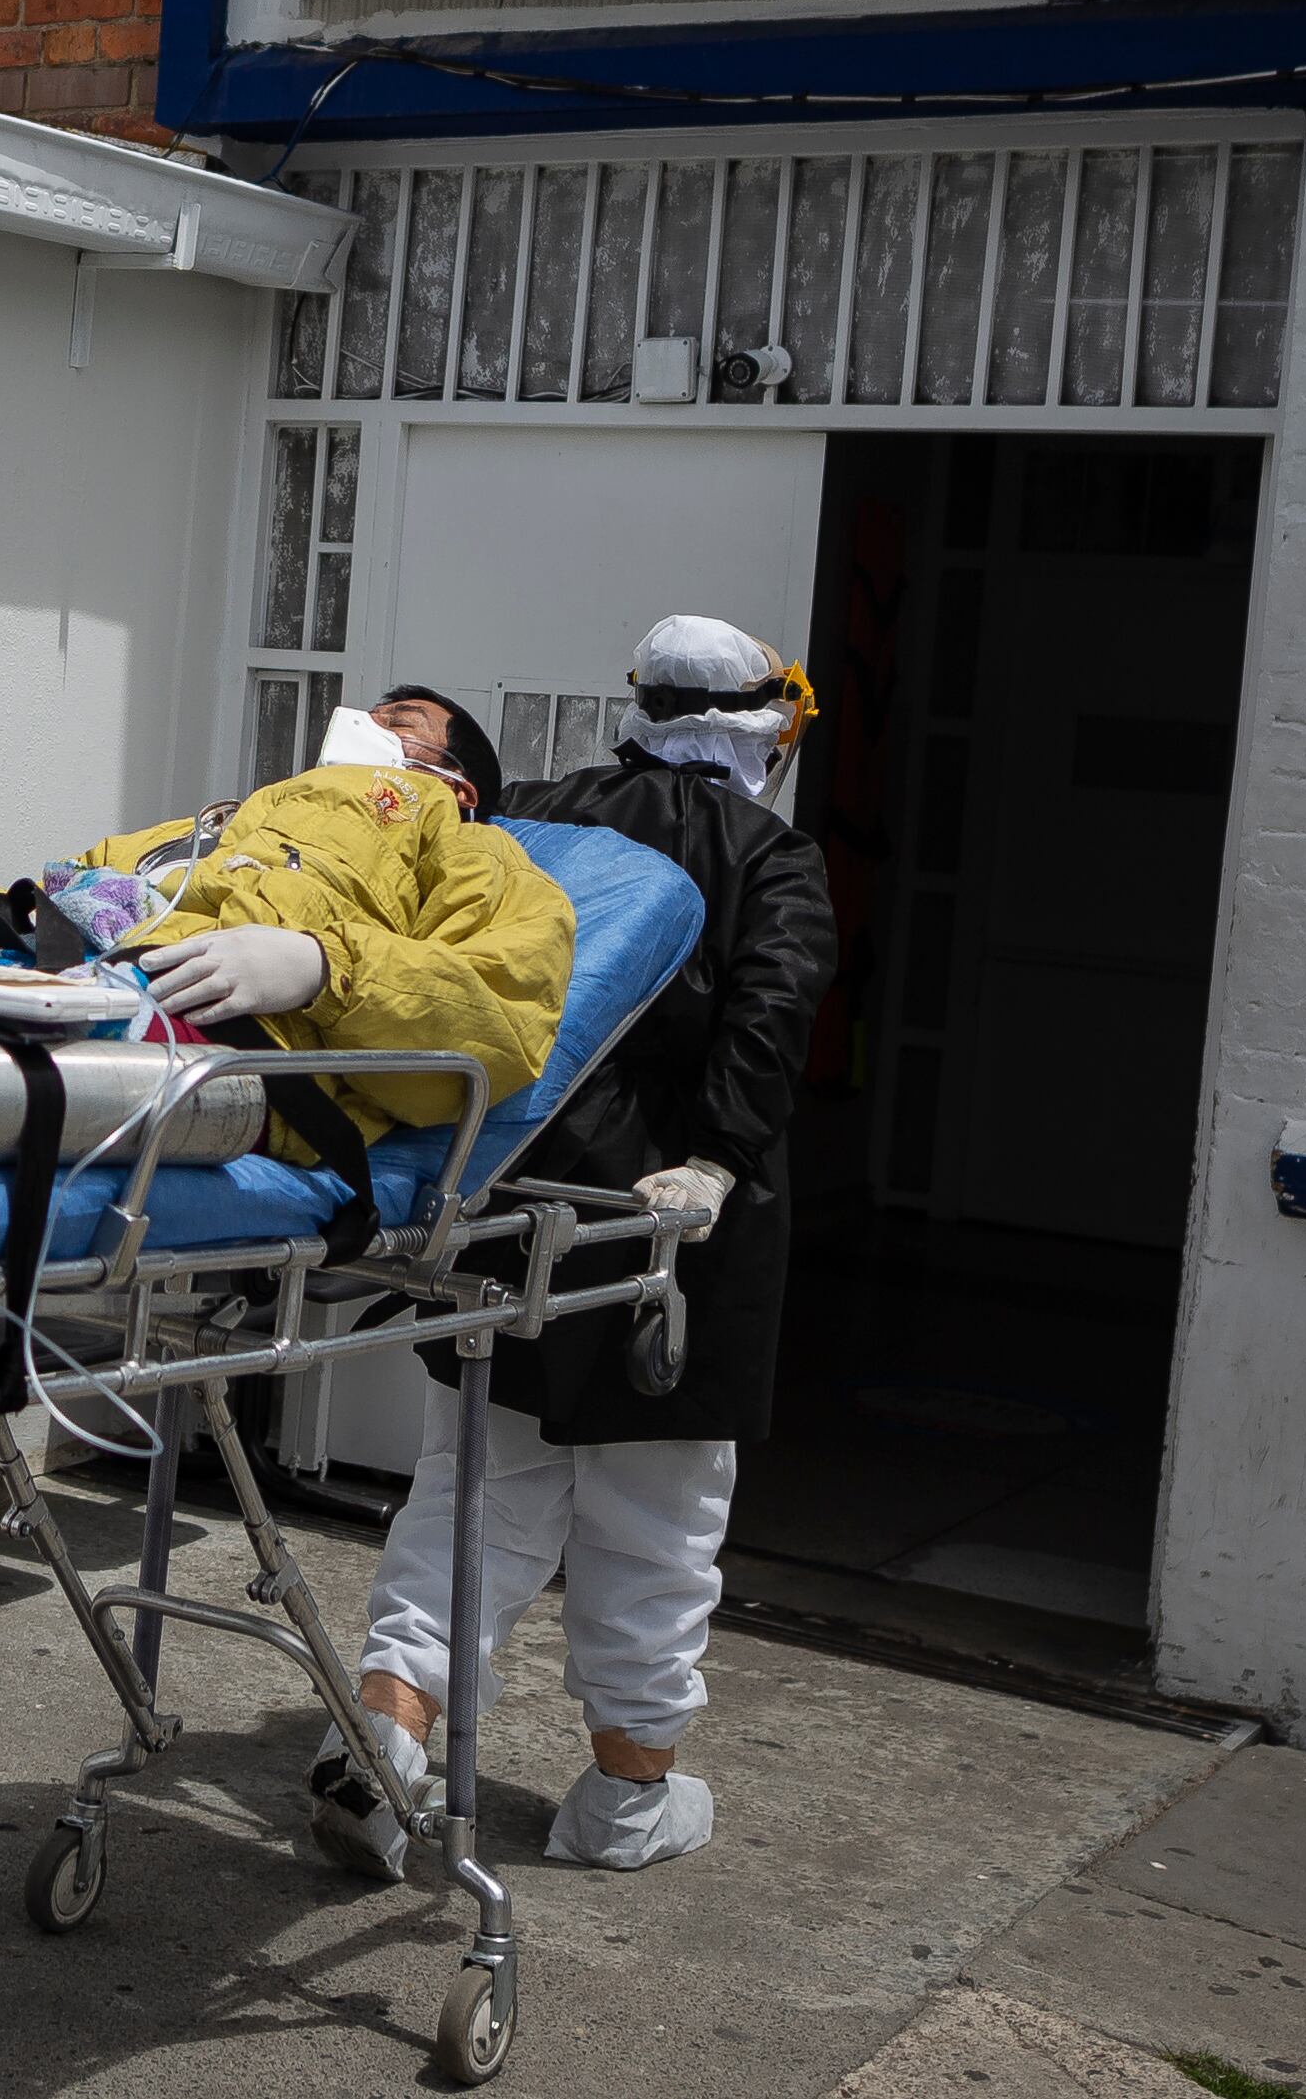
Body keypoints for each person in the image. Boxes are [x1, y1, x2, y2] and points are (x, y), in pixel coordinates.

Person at [309, 618, 835, 1880]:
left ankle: (386, 1747)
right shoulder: (770, 856)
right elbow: (767, 1017)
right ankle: (626, 1801)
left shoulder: (536, 814)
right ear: (765, 731)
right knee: (654, 1527)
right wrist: (715, 1155)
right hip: (669, 1230)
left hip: (506, 1199)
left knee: (470, 1493)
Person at [0, 685, 568, 1171]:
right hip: (61, 976)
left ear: (459, 786)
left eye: (397, 721)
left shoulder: (472, 849)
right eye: (365, 715)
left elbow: (501, 1010)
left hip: (230, 1041)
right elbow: (51, 890)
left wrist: (321, 969)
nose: (363, 723)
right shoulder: (220, 826)